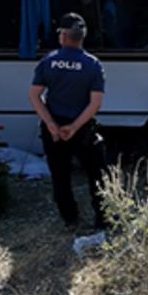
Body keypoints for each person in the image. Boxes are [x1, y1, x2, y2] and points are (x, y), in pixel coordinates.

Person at [28, 12, 108, 231]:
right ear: (82, 37)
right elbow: (95, 104)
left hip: (53, 128)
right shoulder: (93, 65)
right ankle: (103, 219)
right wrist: (74, 127)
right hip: (82, 129)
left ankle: (70, 220)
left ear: (62, 36)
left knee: (60, 177)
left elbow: (35, 95)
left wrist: (52, 124)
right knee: (97, 175)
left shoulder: (49, 62)